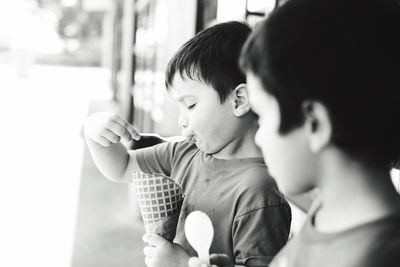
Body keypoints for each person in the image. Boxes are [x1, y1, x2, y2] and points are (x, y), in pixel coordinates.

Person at [190, 0, 400, 266]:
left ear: (315, 125)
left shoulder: (376, 257)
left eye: (263, 117)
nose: (258, 136)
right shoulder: (329, 215)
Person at [84, 21, 291, 267]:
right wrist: (94, 131)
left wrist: (183, 264)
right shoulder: (183, 153)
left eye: (190, 105)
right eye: (179, 107)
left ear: (239, 100)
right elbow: (121, 167)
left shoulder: (260, 193)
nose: (181, 120)